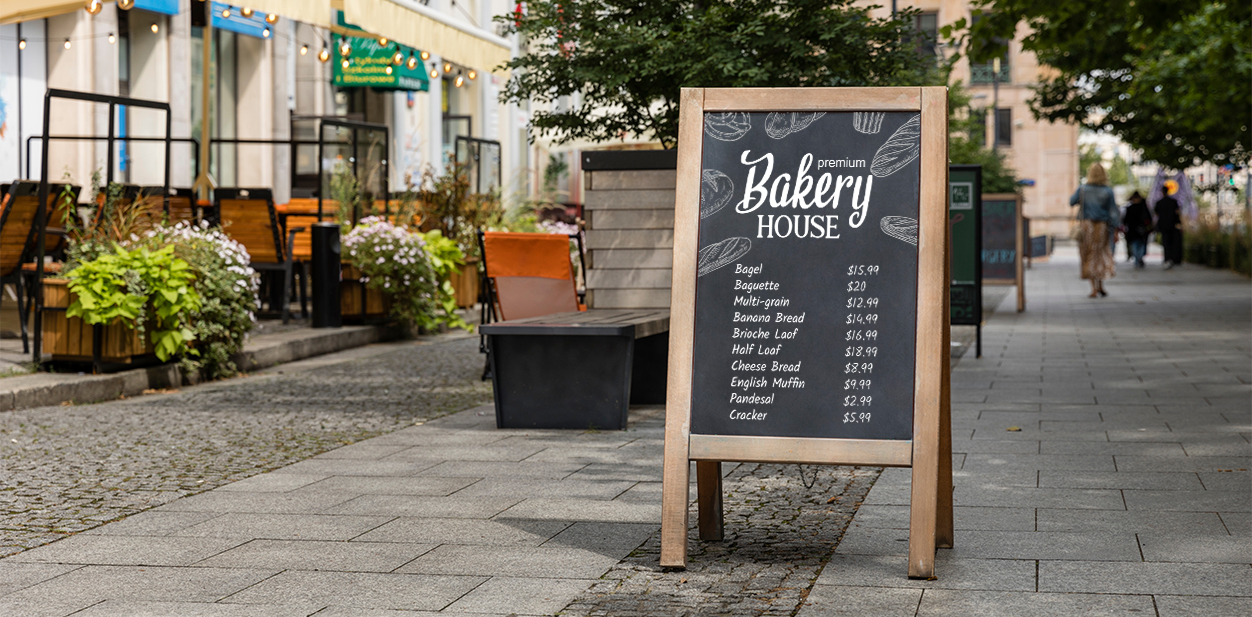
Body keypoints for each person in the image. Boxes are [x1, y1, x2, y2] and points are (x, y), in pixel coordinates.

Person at [1070, 163, 1118, 297]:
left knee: (1088, 254)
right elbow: (1113, 212)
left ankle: (1093, 288)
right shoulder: (1108, 191)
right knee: (1100, 254)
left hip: (1087, 226)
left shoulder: (1083, 189)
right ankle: (1101, 285)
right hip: (1102, 226)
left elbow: (1071, 202)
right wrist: (1115, 229)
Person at [1122, 192, 1153, 268]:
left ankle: (1137, 259)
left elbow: (1125, 220)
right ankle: (1139, 258)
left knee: (1135, 245)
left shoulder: (1130, 208)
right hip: (1142, 229)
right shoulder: (1144, 208)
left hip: (1133, 230)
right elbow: (1149, 219)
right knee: (1141, 244)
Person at [1155, 190, 1183, 269]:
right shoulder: (1173, 202)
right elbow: (1177, 212)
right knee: (1173, 242)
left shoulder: (1159, 202)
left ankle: (1167, 258)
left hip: (1163, 225)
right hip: (1172, 225)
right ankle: (1172, 258)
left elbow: (1156, 213)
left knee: (1165, 242)